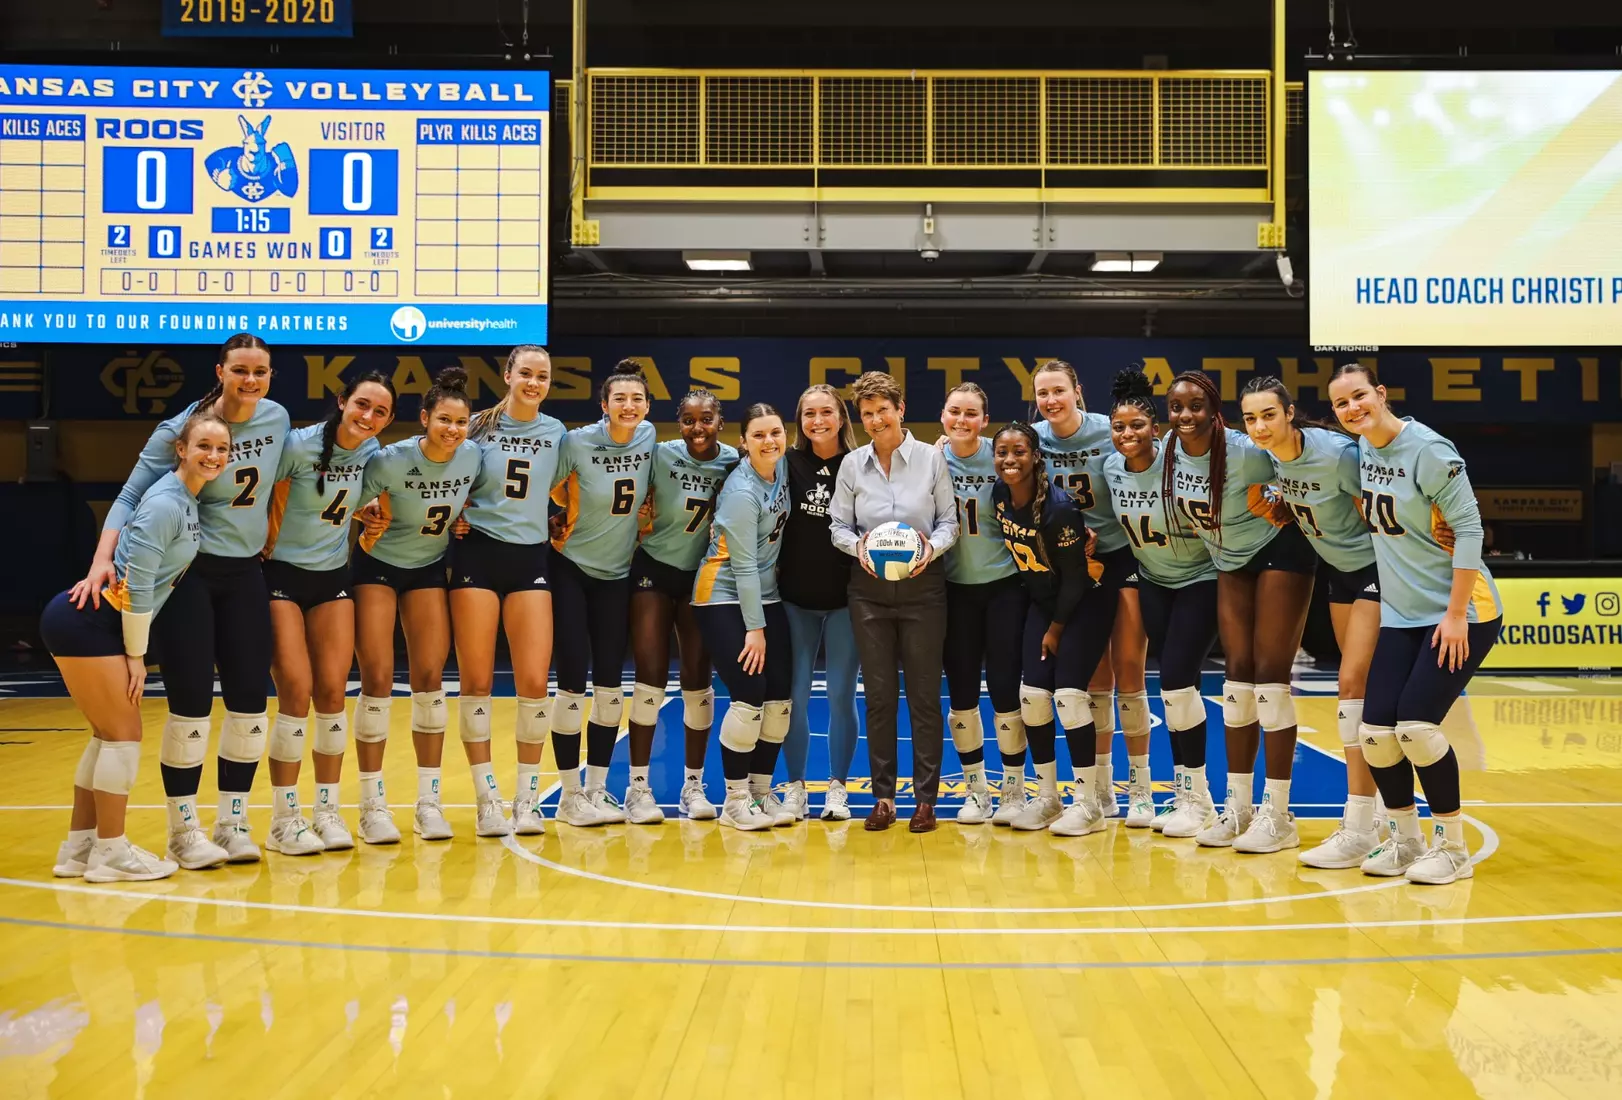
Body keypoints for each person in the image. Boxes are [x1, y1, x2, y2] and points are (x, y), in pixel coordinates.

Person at [71, 333, 290, 870]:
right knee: (190, 703)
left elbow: (294, 477)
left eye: (260, 372)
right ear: (220, 371)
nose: (251, 381)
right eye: (240, 370)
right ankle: (184, 830)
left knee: (249, 700)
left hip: (244, 574)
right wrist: (103, 558)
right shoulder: (180, 429)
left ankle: (233, 821)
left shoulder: (277, 419)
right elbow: (128, 494)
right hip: (188, 575)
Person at [1329, 363, 1501, 884]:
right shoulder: (1360, 452)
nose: (1353, 408)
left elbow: (1470, 528)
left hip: (1461, 612)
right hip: (1402, 616)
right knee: (1376, 732)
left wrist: (1455, 618)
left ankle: (1452, 848)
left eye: (1360, 396)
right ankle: (1406, 842)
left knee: (1417, 729)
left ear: (1381, 394)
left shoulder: (1428, 450)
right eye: (1341, 404)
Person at [43, 410, 231, 882]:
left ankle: (80, 848)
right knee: (125, 737)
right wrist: (136, 657)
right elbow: (139, 585)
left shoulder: (186, 499)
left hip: (92, 623)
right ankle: (111, 852)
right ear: (181, 450)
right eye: (204, 445)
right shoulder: (166, 502)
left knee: (108, 736)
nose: (213, 455)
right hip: (90, 623)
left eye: (222, 449)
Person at [1160, 371, 1317, 849]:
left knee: (1270, 678)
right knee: (1237, 680)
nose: (1186, 416)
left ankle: (1279, 815)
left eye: (1196, 407)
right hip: (1229, 559)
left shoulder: (1246, 448)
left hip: (1279, 550)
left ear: (1214, 411)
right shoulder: (1168, 448)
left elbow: (1306, 464)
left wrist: (1286, 500)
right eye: (1176, 407)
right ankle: (1238, 807)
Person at [1240, 376, 1386, 867]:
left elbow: (1383, 507)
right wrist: (1281, 508)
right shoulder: (1270, 458)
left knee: (1351, 687)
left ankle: (1360, 824)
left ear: (1289, 413)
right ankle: (1382, 814)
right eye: (1250, 418)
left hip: (1376, 569)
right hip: (1340, 574)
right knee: (1365, 697)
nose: (1260, 426)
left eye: (1269, 415)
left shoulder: (1338, 454)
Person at [261, 372, 396, 855]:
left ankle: (327, 810)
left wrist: (370, 515)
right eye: (362, 405)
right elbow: (253, 496)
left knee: (334, 693)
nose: (368, 417)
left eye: (380, 412)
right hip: (279, 576)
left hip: (332, 579)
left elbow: (360, 504)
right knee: (295, 690)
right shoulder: (296, 447)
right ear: (341, 402)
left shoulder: (372, 454)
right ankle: (283, 818)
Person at [351, 366, 483, 842]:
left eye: (461, 421)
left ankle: (429, 803)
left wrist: (464, 517)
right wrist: (363, 514)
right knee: (378, 680)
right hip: (378, 567)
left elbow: (477, 500)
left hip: (428, 568)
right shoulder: (389, 460)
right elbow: (347, 500)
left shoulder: (472, 457)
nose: (452, 430)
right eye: (444, 419)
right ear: (425, 418)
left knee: (430, 680)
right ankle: (372, 806)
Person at [829, 371, 958, 833]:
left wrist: (930, 548)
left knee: (924, 697)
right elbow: (838, 526)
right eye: (866, 413)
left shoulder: (930, 460)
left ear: (900, 409)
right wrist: (859, 548)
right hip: (869, 592)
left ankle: (926, 801)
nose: (876, 419)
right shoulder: (852, 465)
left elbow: (949, 521)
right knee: (880, 698)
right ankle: (883, 798)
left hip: (924, 588)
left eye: (883, 409)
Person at [450, 346, 566, 837]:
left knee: (534, 685)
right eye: (526, 374)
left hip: (530, 558)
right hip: (477, 553)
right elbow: (437, 469)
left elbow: (567, 487)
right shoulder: (474, 425)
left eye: (542, 376)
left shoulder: (557, 432)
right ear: (508, 375)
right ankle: (486, 800)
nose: (534, 383)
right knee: (476, 682)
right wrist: (454, 513)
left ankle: (526, 799)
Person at [1030, 361, 1148, 823]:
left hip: (1122, 556)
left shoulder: (1109, 430)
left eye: (1059, 390)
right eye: (1043, 393)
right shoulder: (1034, 437)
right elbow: (990, 454)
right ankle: (1101, 790)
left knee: (1130, 675)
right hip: (1072, 568)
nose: (1051, 400)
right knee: (1094, 682)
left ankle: (1140, 788)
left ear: (1078, 391)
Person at [1103, 370, 1219, 834]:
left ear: (1157, 428)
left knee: (1174, 684)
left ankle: (1200, 799)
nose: (1127, 434)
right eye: (1118, 427)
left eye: (1137, 426)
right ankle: (1187, 794)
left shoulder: (1179, 456)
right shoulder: (1111, 468)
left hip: (1200, 577)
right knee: (1178, 689)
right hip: (1152, 579)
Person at [548, 362, 657, 826]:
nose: (628, 406)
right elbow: (542, 490)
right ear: (604, 405)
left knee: (611, 684)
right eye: (620, 399)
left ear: (647, 407)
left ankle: (597, 789)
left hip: (618, 573)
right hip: (570, 566)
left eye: (637, 399)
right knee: (573, 677)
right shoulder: (575, 442)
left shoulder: (650, 436)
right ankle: (568, 795)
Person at [990, 423, 1110, 835]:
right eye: (1002, 451)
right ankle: (1048, 798)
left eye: (1019, 451)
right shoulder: (999, 495)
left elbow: (1076, 579)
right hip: (1044, 603)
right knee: (1032, 697)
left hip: (1083, 604)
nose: (1010, 459)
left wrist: (1056, 628)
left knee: (1070, 697)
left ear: (1036, 456)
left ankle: (1089, 804)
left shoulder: (1058, 508)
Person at [627, 390, 737, 823]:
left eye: (706, 419)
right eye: (689, 421)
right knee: (650, 674)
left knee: (696, 676)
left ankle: (693, 786)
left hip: (701, 576)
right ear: (679, 423)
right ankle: (639, 788)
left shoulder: (734, 461)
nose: (697, 428)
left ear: (719, 422)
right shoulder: (659, 455)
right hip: (654, 567)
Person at [692, 404, 795, 830]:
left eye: (775, 433)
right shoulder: (740, 492)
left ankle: (761, 791)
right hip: (721, 594)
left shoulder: (783, 467)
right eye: (759, 436)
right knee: (750, 690)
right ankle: (734, 801)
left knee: (780, 697)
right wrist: (755, 630)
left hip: (765, 595)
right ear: (743, 442)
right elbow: (744, 566)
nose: (769, 442)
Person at [939, 383, 1027, 824]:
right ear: (942, 415)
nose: (961, 420)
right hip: (954, 590)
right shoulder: (931, 459)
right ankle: (976, 790)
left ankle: (1013, 789)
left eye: (971, 413)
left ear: (985, 419)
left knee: (1007, 687)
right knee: (961, 692)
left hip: (1004, 586)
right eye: (954, 411)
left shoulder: (1002, 454)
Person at [779, 384, 862, 822]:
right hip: (795, 600)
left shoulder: (860, 464)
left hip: (846, 601)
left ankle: (837, 788)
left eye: (826, 412)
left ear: (841, 417)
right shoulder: (785, 463)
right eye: (808, 413)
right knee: (794, 696)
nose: (817, 421)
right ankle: (795, 787)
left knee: (840, 695)